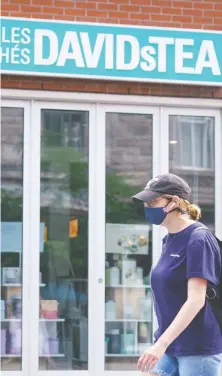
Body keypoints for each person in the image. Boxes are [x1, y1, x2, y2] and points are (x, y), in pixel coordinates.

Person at [132, 173, 222, 376]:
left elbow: (196, 300)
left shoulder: (198, 239)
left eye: (153, 201)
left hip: (197, 348)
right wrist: (162, 342)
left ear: (175, 201)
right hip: (171, 343)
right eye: (146, 202)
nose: (148, 207)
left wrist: (159, 345)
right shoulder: (170, 240)